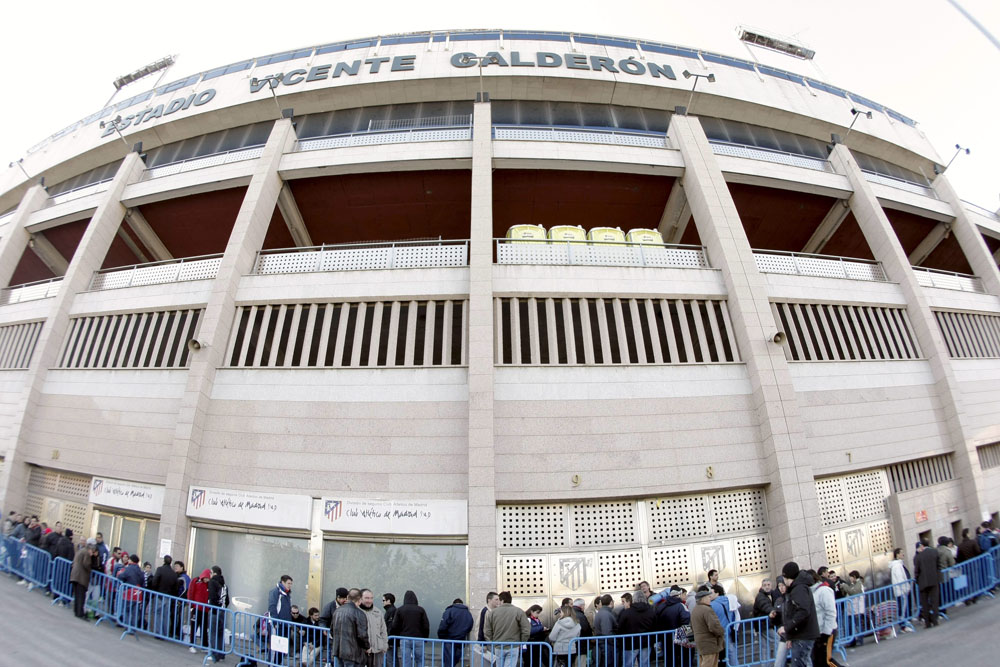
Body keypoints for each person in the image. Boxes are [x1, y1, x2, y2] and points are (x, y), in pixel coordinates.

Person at [778, 562, 818, 667]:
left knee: (800, 662)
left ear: (786, 577)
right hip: (801, 635)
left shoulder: (798, 589)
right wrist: (790, 636)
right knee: (803, 662)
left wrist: (787, 628)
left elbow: (803, 611)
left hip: (803, 635)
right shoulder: (797, 588)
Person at [483, 591, 529, 667]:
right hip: (513, 645)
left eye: (499, 600)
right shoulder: (519, 611)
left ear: (502, 600)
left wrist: (492, 641)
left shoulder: (492, 613)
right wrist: (522, 642)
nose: (498, 603)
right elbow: (526, 630)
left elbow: (487, 630)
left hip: (498, 646)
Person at [390, 590, 430, 667]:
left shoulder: (400, 609)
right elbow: (426, 626)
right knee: (420, 661)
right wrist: (425, 638)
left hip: (404, 638)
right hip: (418, 639)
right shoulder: (421, 610)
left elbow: (395, 626)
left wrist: (396, 638)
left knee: (406, 661)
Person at [332, 588, 371, 667]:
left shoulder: (337, 611)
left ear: (348, 597)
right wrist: (367, 647)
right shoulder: (359, 613)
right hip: (353, 653)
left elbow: (332, 631)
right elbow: (362, 635)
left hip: (339, 651)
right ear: (359, 599)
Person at [618, 590, 654, 667]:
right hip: (646, 642)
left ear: (633, 599)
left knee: (628, 664)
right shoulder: (651, 611)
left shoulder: (627, 612)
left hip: (630, 643)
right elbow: (655, 626)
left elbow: (620, 628)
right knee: (644, 664)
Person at [690, 587, 725, 667]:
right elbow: (714, 626)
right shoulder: (707, 610)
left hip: (700, 642)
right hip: (709, 643)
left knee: (704, 662)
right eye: (708, 597)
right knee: (710, 663)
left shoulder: (695, 610)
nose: (710, 599)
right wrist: (721, 632)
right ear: (703, 599)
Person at [810, 570, 837, 666]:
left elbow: (831, 612)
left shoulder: (824, 590)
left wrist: (827, 632)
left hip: (827, 631)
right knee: (818, 661)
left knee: (826, 661)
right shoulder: (812, 593)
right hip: (818, 632)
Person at [438, 597, 474, 667]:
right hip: (460, 640)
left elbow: (443, 625)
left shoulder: (449, 611)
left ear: (453, 603)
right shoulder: (467, 613)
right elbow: (470, 626)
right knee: (455, 659)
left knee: (448, 661)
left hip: (449, 640)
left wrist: (441, 636)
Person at [151, 555, 179, 637]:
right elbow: (176, 587)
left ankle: (158, 632)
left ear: (164, 561)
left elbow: (154, 581)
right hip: (169, 596)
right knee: (166, 615)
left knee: (158, 613)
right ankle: (165, 632)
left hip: (160, 595)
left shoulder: (160, 569)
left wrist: (155, 591)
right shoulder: (173, 573)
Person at [207, 565, 230, 663]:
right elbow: (227, 599)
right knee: (220, 633)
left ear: (214, 573)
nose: (210, 575)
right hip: (222, 610)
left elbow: (212, 596)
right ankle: (221, 654)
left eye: (211, 573)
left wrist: (212, 605)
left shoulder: (212, 582)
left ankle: (214, 654)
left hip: (215, 610)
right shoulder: (224, 584)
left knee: (213, 632)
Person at [361, 589, 389, 667]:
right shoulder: (356, 612)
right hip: (361, 651)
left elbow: (383, 630)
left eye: (371, 598)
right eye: (366, 598)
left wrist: (384, 645)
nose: (369, 600)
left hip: (377, 650)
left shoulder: (378, 612)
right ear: (360, 598)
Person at [888, 549, 914, 632]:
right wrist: (905, 589)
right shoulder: (897, 566)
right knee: (903, 608)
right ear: (897, 555)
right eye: (901, 553)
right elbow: (900, 580)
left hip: (900, 591)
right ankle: (903, 625)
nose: (903, 554)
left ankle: (903, 624)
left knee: (902, 607)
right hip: (901, 591)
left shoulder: (898, 565)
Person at [70, 540, 97, 620]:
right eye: (92, 552)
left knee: (77, 595)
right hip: (81, 577)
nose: (92, 554)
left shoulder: (80, 551)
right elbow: (86, 564)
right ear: (90, 550)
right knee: (81, 596)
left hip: (75, 575)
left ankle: (76, 611)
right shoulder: (86, 554)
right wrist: (90, 570)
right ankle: (80, 613)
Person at [838, 571, 865, 647]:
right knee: (850, 625)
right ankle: (852, 641)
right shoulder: (853, 584)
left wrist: (845, 586)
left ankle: (860, 640)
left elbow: (852, 592)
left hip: (857, 609)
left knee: (857, 625)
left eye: (850, 577)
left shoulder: (859, 584)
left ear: (854, 577)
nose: (849, 579)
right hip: (851, 609)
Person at [188, 568, 212, 654]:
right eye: (206, 578)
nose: (206, 580)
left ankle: (204, 646)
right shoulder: (196, 581)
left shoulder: (209, 585)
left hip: (205, 609)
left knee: (204, 628)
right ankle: (191, 645)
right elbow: (190, 592)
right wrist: (191, 605)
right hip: (196, 608)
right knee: (194, 627)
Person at [593, 594, 617, 667]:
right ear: (611, 602)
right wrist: (615, 642)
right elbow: (607, 632)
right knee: (608, 663)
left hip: (603, 642)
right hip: (607, 644)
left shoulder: (600, 613)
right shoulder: (606, 614)